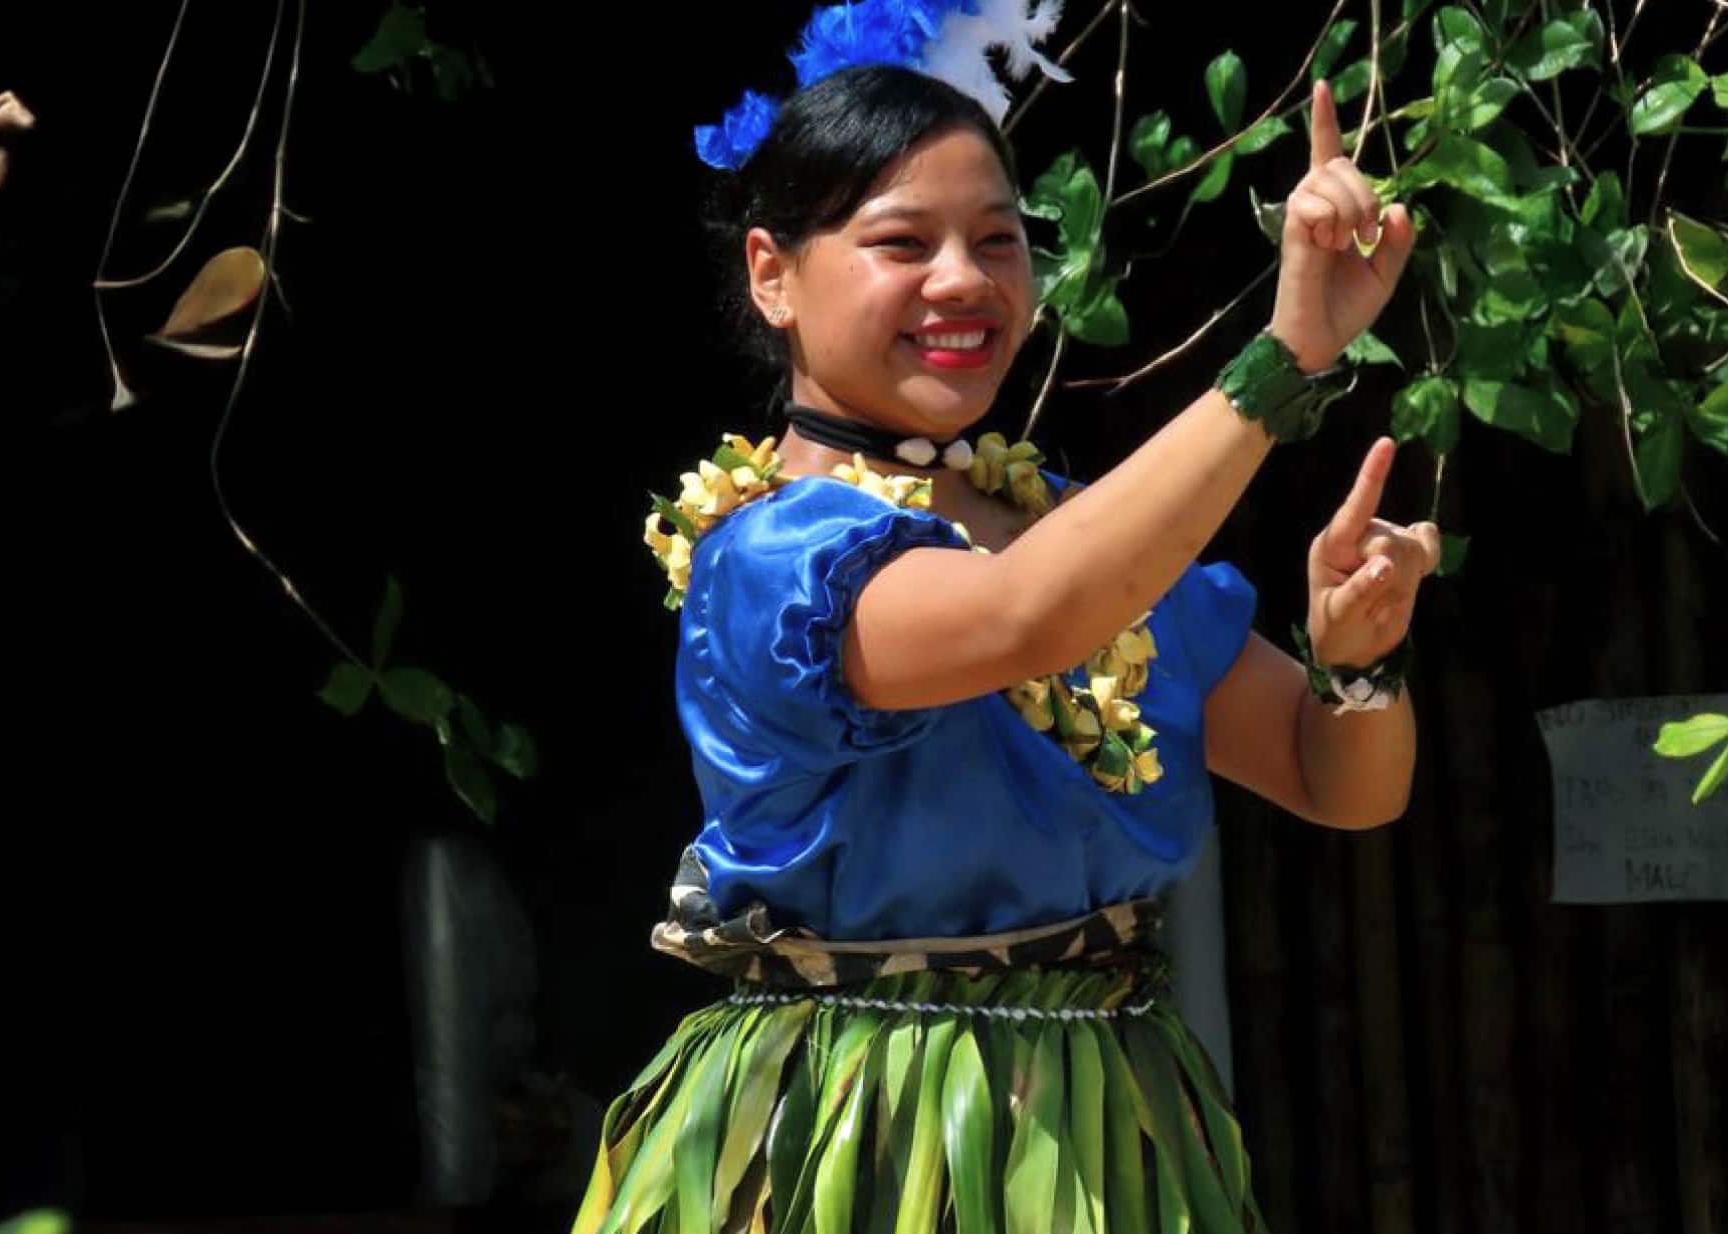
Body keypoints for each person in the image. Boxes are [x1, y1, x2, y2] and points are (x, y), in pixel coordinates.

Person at [583, 58, 1431, 1233]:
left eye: (996, 239)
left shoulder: (1080, 537)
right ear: (772, 275)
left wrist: (1357, 660)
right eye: (902, 242)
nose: (962, 280)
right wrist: (1281, 361)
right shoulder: (774, 561)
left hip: (1112, 1120)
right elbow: (1021, 617)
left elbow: (1338, 782)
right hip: (863, 1123)